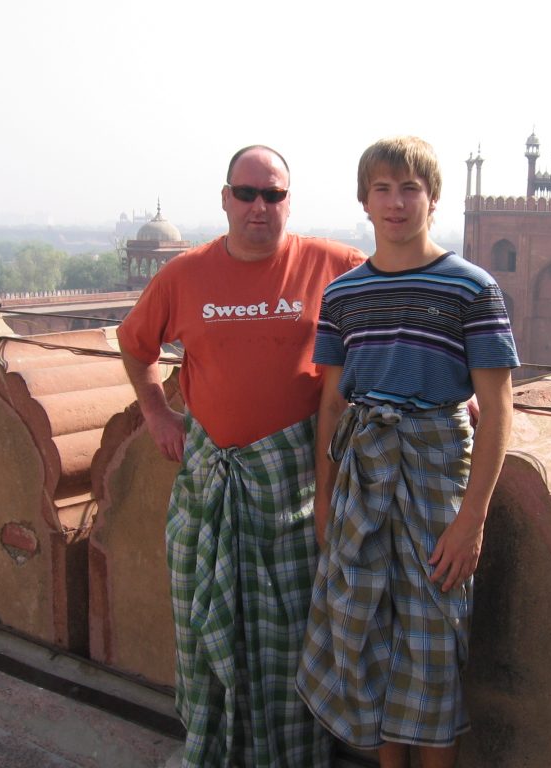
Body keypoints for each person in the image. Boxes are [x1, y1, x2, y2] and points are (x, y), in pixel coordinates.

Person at [117, 145, 365, 768]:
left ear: (289, 201)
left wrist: (460, 378)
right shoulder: (184, 275)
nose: (260, 206)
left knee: (290, 642)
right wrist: (154, 412)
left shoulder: (332, 265)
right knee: (204, 639)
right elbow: (135, 343)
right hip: (211, 485)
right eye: (248, 193)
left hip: (294, 492)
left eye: (273, 194)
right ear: (225, 198)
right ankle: (214, 752)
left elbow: (405, 296)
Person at [295, 136, 519, 768]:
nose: (396, 203)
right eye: (383, 189)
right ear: (364, 201)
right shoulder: (344, 296)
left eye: (410, 188)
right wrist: (324, 497)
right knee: (367, 631)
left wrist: (471, 520)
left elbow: (499, 409)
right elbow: (333, 406)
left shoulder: (470, 289)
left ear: (433, 198)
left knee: (433, 642)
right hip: (363, 479)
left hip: (434, 477)